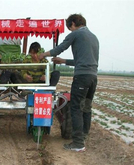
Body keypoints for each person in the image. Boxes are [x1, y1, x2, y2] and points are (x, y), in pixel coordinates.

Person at [39, 14, 99, 152]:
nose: (70, 31)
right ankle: (83, 136)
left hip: (81, 77)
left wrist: (44, 55)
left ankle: (78, 143)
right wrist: (64, 61)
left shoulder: (76, 34)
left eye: (69, 28)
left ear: (73, 24)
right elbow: (82, 61)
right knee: (87, 107)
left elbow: (59, 48)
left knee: (76, 108)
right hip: (93, 77)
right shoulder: (94, 37)